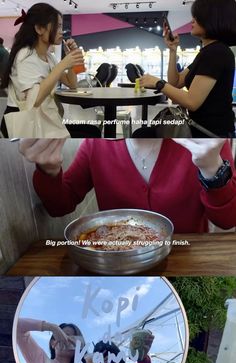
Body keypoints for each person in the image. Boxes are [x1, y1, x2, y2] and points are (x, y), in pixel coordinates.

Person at [18, 138, 236, 234]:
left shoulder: (202, 142)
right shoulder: (96, 144)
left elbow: (228, 220)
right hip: (117, 260)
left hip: (187, 259)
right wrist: (49, 170)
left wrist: (212, 169)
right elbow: (60, 206)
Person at [0, 3, 101, 138]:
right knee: (91, 134)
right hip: (24, 124)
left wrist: (69, 59)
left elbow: (72, 84)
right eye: (57, 26)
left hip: (41, 119)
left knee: (93, 131)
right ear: (39, 29)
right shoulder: (25, 55)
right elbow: (34, 100)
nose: (62, 31)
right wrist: (62, 65)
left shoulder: (49, 57)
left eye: (61, 26)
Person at [139, 0, 236, 138]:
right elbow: (176, 82)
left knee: (142, 134)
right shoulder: (208, 52)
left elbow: (192, 102)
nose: (192, 21)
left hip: (210, 135)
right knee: (143, 133)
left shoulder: (216, 52)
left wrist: (158, 83)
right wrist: (173, 51)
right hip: (201, 129)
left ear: (212, 19)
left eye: (197, 17)